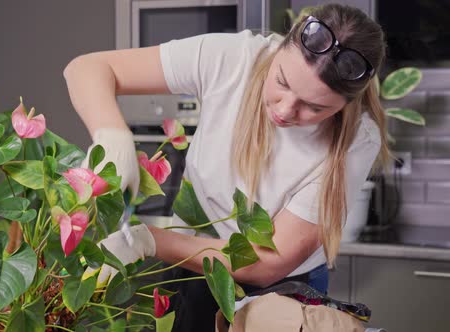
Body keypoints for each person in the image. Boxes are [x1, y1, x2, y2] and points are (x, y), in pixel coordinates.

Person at [63, 3, 390, 331]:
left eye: (314, 107)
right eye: (283, 82)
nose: (286, 110)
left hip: (283, 291)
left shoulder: (358, 139)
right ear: (279, 50)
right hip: (195, 261)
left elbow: (267, 262)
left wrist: (145, 241)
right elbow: (87, 69)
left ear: (344, 105)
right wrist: (112, 134)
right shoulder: (233, 59)